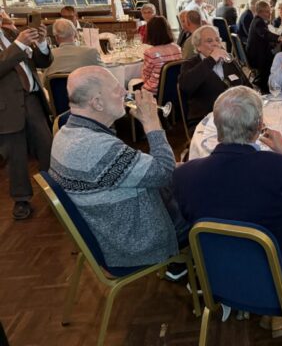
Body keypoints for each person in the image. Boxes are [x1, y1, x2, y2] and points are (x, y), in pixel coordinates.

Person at [173, 86, 282, 336]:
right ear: (260, 125)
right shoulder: (279, 170)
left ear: (217, 126)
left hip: (219, 280)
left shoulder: (184, 176)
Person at [49, 66, 186, 268]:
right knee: (209, 203)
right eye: (116, 89)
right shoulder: (96, 148)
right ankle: (196, 269)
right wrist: (152, 123)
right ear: (97, 103)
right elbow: (165, 173)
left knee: (190, 175)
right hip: (138, 241)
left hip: (113, 225)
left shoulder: (65, 132)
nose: (125, 92)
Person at [0, 23, 52, 220]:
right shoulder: (18, 39)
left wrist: (42, 43)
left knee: (46, 146)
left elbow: (41, 62)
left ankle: (55, 189)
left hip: (32, 98)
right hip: (6, 105)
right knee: (16, 154)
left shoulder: (11, 32)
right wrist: (19, 45)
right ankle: (21, 199)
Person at [179, 25, 251, 124]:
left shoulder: (228, 61)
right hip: (207, 120)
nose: (215, 44)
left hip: (236, 116)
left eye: (217, 40)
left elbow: (247, 86)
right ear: (198, 47)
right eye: (209, 41)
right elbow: (186, 86)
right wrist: (211, 59)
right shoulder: (190, 64)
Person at [247, 0, 282, 93]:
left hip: (257, 53)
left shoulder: (257, 20)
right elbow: (265, 34)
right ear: (260, 12)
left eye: (270, 11)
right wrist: (280, 38)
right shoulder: (258, 22)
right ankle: (267, 88)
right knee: (278, 60)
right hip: (257, 57)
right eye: (267, 11)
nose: (270, 14)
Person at [140, 17, 182, 96]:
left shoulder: (150, 52)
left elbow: (145, 76)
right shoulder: (177, 48)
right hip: (176, 90)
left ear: (150, 33)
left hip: (155, 92)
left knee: (131, 85)